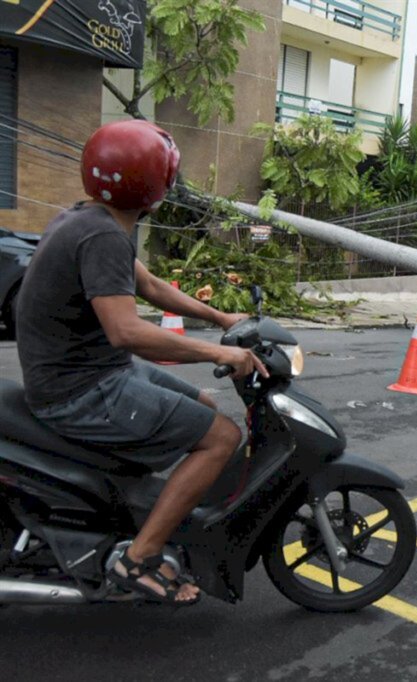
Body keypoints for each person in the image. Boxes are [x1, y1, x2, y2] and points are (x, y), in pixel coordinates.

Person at [15, 120, 268, 605]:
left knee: (204, 406)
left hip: (94, 371)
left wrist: (219, 316)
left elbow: (148, 285)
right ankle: (138, 558)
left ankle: (156, 514)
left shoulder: (87, 218)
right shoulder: (102, 235)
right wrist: (220, 351)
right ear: (154, 186)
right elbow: (127, 333)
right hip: (80, 391)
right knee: (222, 438)